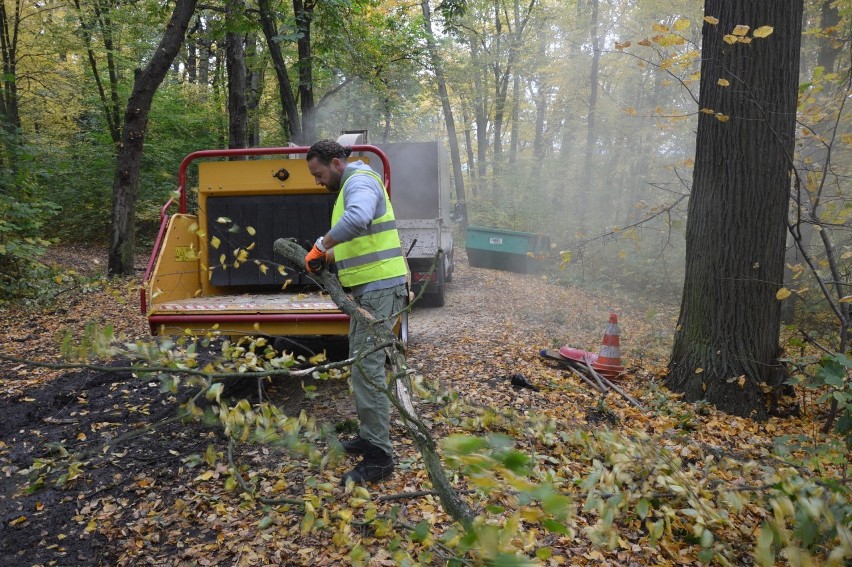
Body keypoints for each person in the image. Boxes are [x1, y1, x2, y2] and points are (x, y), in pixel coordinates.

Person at [303, 139, 408, 485]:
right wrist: (329, 258)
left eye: (318, 174)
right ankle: (369, 435)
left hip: (379, 290)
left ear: (336, 164)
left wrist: (320, 245)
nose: (317, 181)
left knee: (367, 370)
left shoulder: (358, 182)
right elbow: (362, 239)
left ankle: (379, 457)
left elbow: (359, 218)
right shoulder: (353, 183)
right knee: (362, 366)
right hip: (370, 290)